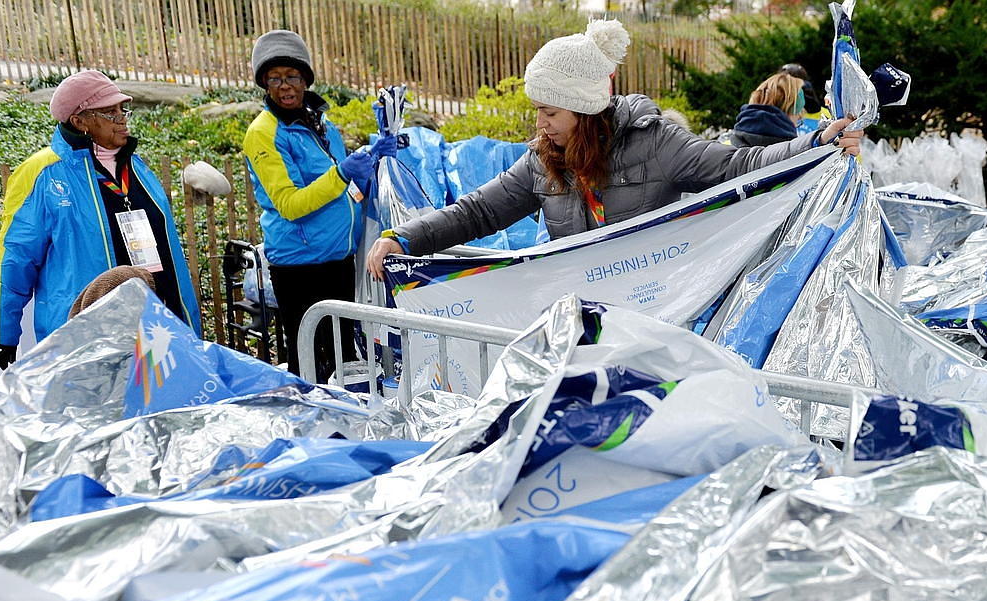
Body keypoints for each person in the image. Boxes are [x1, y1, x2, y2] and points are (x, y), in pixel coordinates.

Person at [366, 20, 861, 274]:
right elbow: (476, 213)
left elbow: (739, 164)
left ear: (584, 110)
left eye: (550, 112)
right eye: (537, 110)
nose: (540, 125)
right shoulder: (543, 161)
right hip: (583, 319)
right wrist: (403, 238)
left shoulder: (657, 142)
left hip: (658, 314)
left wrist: (816, 141)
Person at [0, 71, 199, 368]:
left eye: (123, 109)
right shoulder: (44, 174)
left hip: (157, 319)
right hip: (87, 331)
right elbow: (15, 258)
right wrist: (0, 332)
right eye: (110, 112)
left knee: (160, 401)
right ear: (79, 121)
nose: (122, 118)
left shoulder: (136, 166)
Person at [243, 29, 389, 379]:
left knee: (341, 356)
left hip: (338, 258)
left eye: (292, 76)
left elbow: (347, 189)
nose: (285, 86)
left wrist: (374, 165)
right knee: (308, 359)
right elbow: (290, 204)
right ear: (264, 83)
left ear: (305, 79)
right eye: (274, 78)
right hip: (299, 265)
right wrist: (342, 173)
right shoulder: (264, 132)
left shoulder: (322, 125)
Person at [731, 73, 805, 148]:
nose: (800, 117)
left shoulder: (731, 143)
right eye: (799, 113)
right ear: (788, 110)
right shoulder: (793, 151)